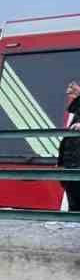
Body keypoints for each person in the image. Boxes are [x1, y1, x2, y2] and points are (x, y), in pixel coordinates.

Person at [61, 79, 80, 213]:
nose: (69, 93)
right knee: (73, 202)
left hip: (76, 163)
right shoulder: (77, 112)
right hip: (71, 162)